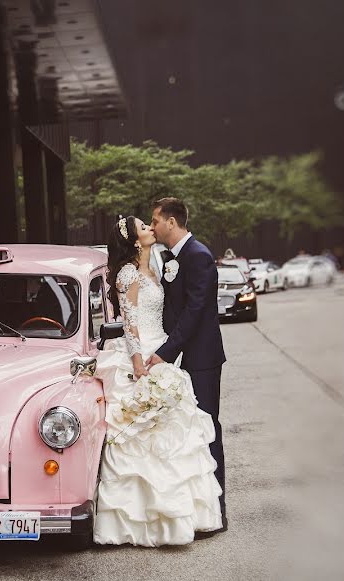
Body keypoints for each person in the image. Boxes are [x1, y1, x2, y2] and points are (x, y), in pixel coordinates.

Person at [93, 214, 223, 546]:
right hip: (142, 356)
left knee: (176, 433)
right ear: (136, 241)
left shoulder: (157, 267)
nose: (151, 229)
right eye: (145, 227)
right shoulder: (128, 274)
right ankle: (142, 521)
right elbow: (130, 325)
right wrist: (138, 366)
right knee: (138, 437)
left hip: (161, 349)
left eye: (151, 224)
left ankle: (185, 516)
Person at [146, 197, 228, 525]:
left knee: (208, 428)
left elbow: (195, 311)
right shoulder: (173, 258)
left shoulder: (199, 256)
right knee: (188, 432)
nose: (152, 226)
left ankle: (217, 510)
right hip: (179, 356)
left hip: (202, 358)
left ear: (171, 221)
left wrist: (165, 351)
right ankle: (196, 506)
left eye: (155, 220)